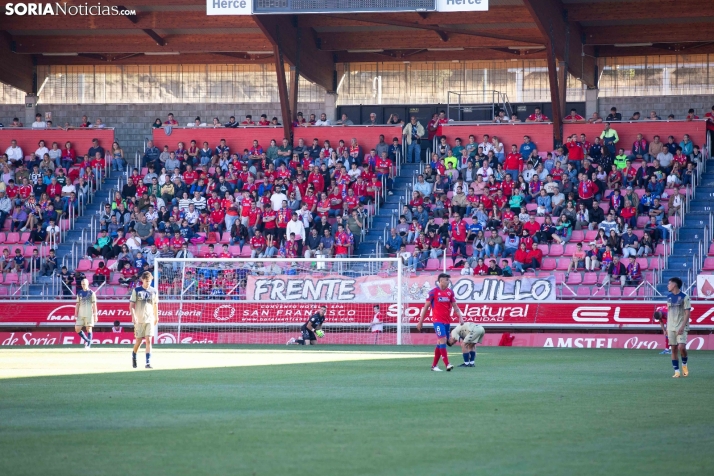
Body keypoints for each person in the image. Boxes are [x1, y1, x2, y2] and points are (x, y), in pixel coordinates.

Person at [416, 273, 465, 372]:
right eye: (447, 280)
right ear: (441, 281)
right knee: (442, 340)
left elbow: (455, 306)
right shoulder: (433, 292)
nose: (448, 282)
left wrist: (460, 317)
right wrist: (420, 321)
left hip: (447, 322)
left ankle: (434, 366)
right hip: (437, 321)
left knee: (440, 343)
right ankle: (447, 364)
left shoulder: (450, 293)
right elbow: (426, 307)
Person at [129, 271, 159, 369]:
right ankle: (134, 354)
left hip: (149, 319)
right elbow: (132, 305)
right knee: (139, 341)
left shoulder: (154, 291)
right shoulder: (136, 290)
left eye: (150, 281)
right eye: (146, 281)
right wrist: (134, 316)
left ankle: (148, 362)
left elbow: (155, 305)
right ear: (142, 280)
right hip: (139, 320)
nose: (148, 283)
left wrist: (156, 316)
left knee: (149, 340)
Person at [666, 277, 691, 378]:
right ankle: (677, 372)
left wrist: (682, 326)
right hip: (671, 327)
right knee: (674, 349)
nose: (668, 285)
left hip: (681, 326)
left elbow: (687, 313)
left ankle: (684, 364)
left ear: (674, 285)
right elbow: (669, 313)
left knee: (681, 347)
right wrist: (666, 328)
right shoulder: (669, 297)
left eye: (669, 283)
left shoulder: (685, 297)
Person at [74, 278, 97, 349]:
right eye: (82, 284)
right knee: (77, 329)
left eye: (84, 284)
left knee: (89, 329)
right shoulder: (79, 293)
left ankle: (88, 345)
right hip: (80, 314)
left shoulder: (91, 293)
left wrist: (95, 315)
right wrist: (75, 314)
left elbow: (94, 305)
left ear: (88, 284)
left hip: (89, 314)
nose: (83, 285)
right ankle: (87, 340)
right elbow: (77, 304)